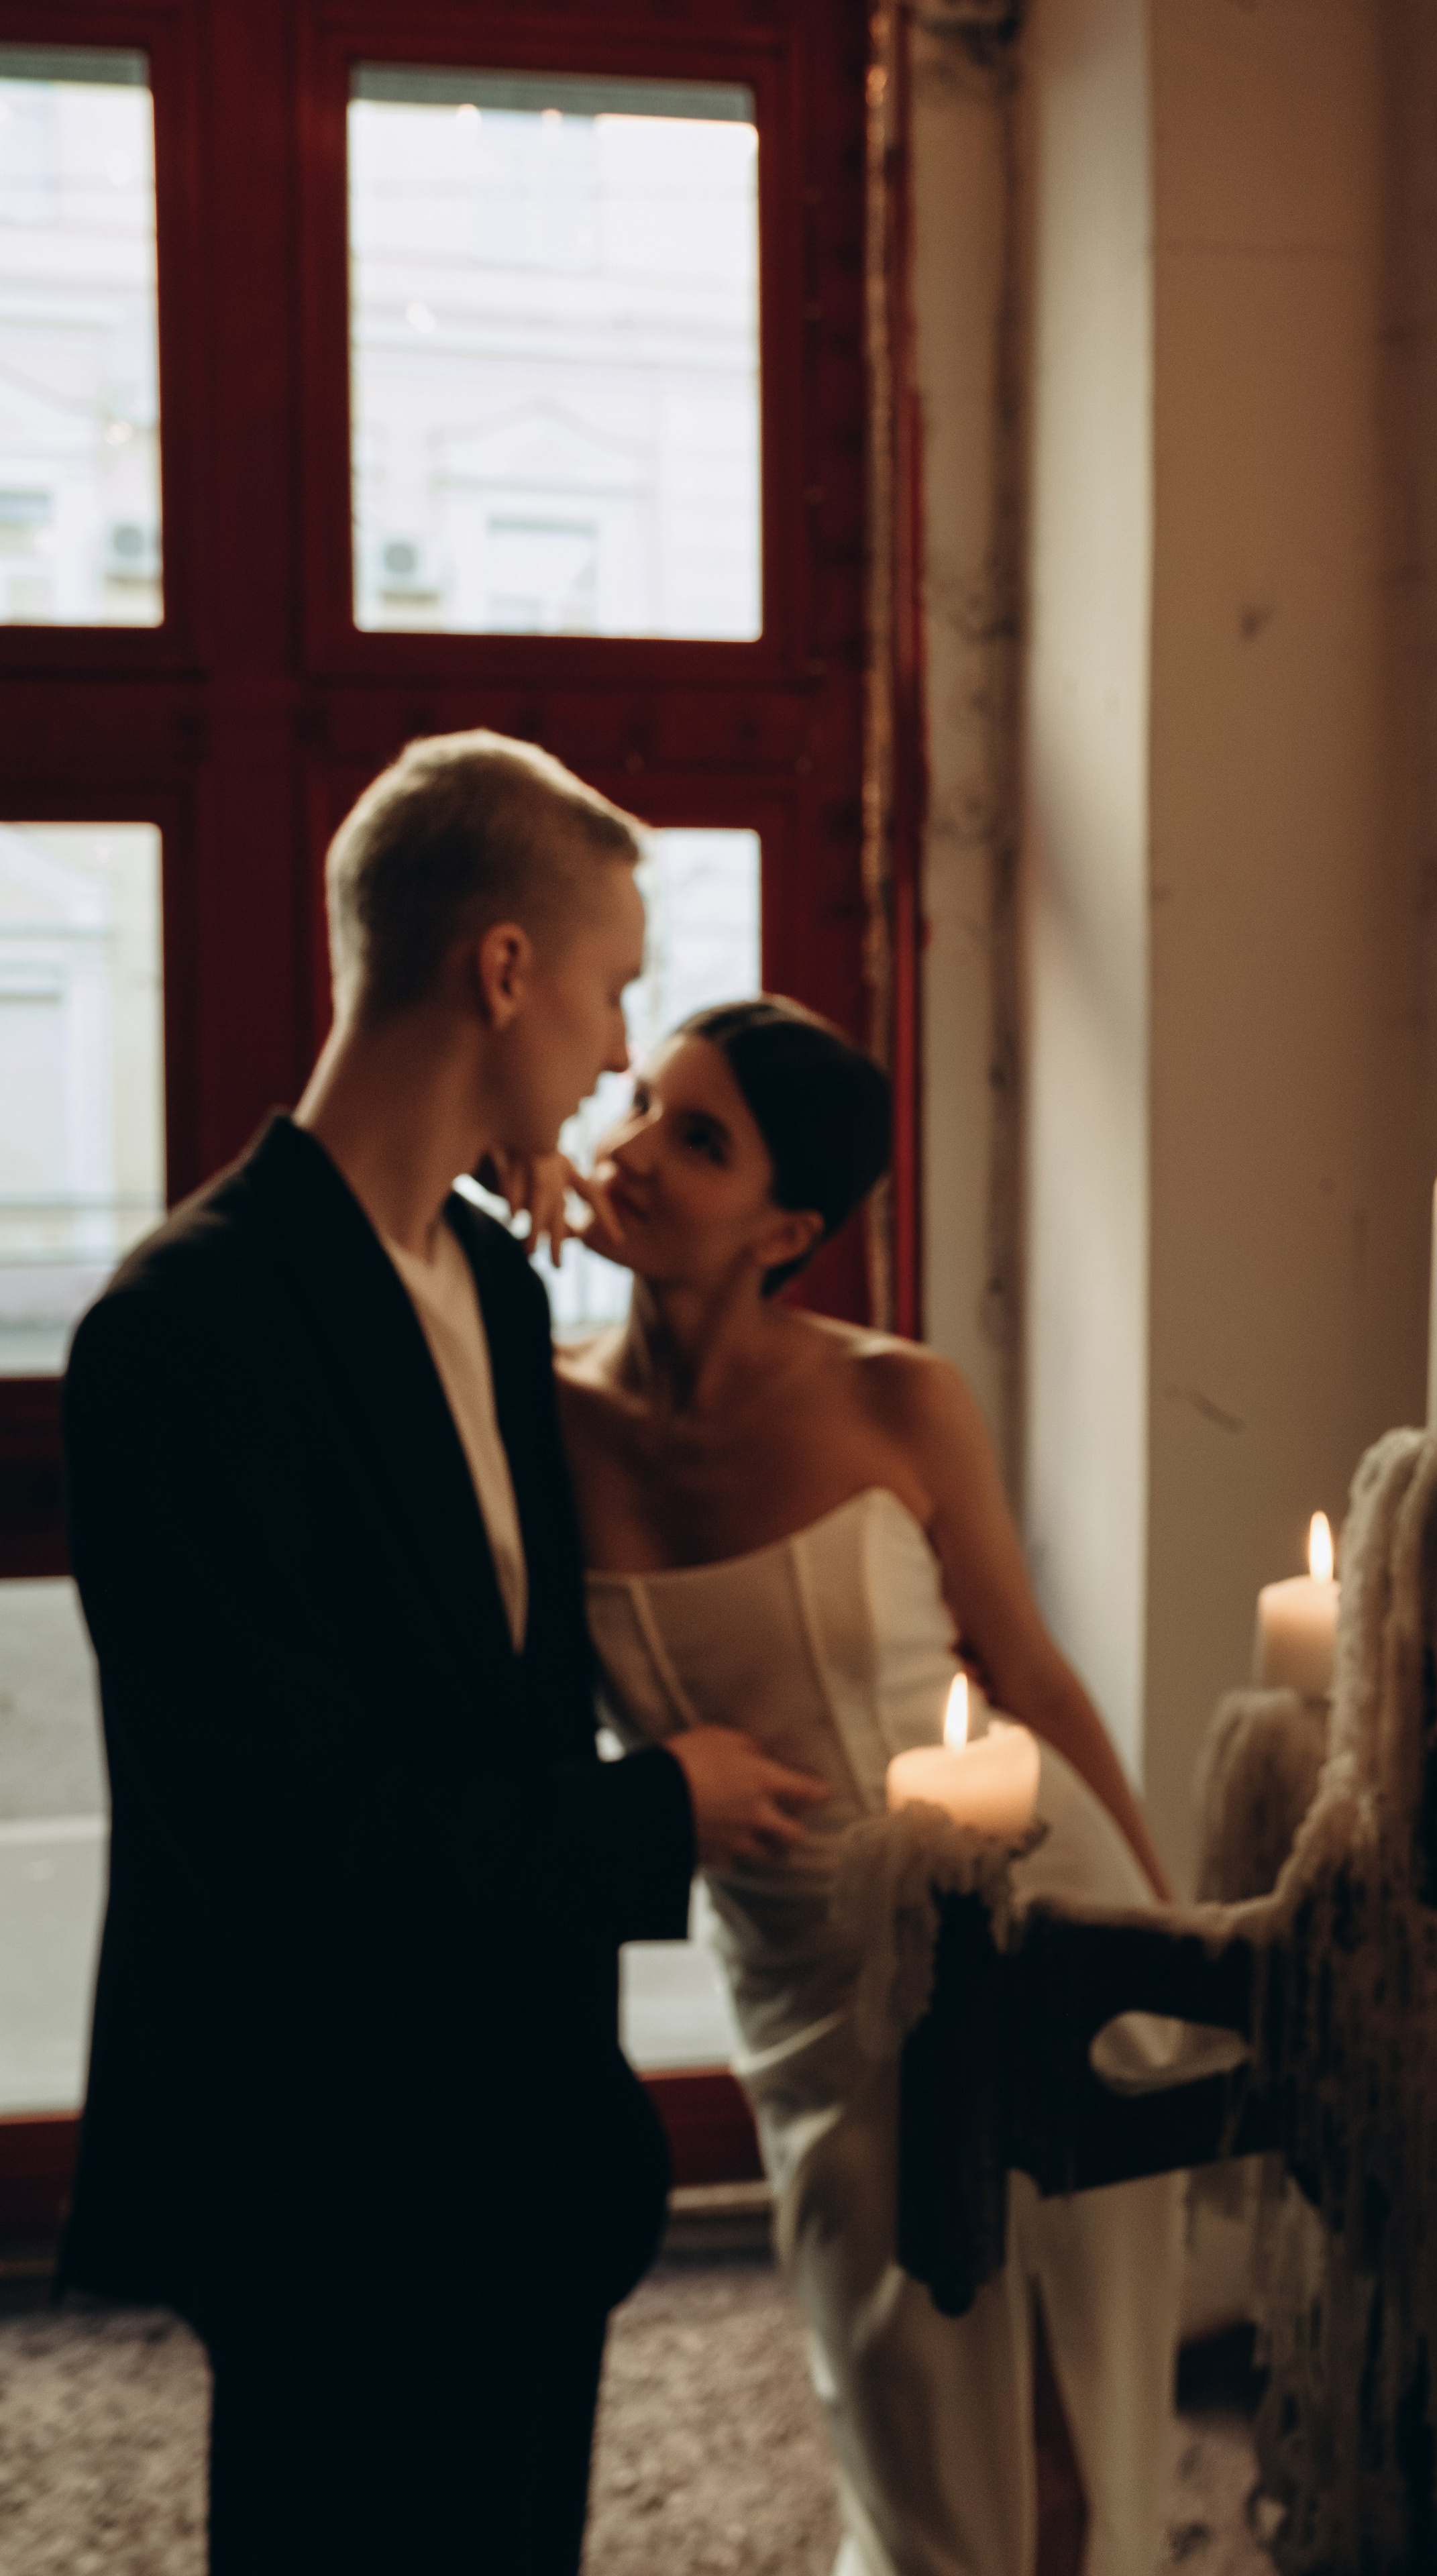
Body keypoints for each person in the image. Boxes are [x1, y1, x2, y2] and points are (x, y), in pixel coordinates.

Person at [58, 735, 826, 2575]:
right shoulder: (181, 1334)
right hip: (326, 2162)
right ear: (502, 970)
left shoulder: (490, 1281)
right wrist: (667, 1812)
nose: (622, 1048)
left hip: (518, 2150)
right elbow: (287, 1849)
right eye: (615, 982)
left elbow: (485, 1684)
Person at [524, 996, 1185, 2576]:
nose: (630, 1155)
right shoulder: (542, 1415)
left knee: (1071, 2407)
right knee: (898, 2407)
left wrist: (1165, 1931)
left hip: (1019, 1915)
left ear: (785, 1226)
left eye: (700, 1139)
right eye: (642, 1113)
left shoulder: (897, 1398)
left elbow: (1024, 1671)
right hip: (801, 1979)